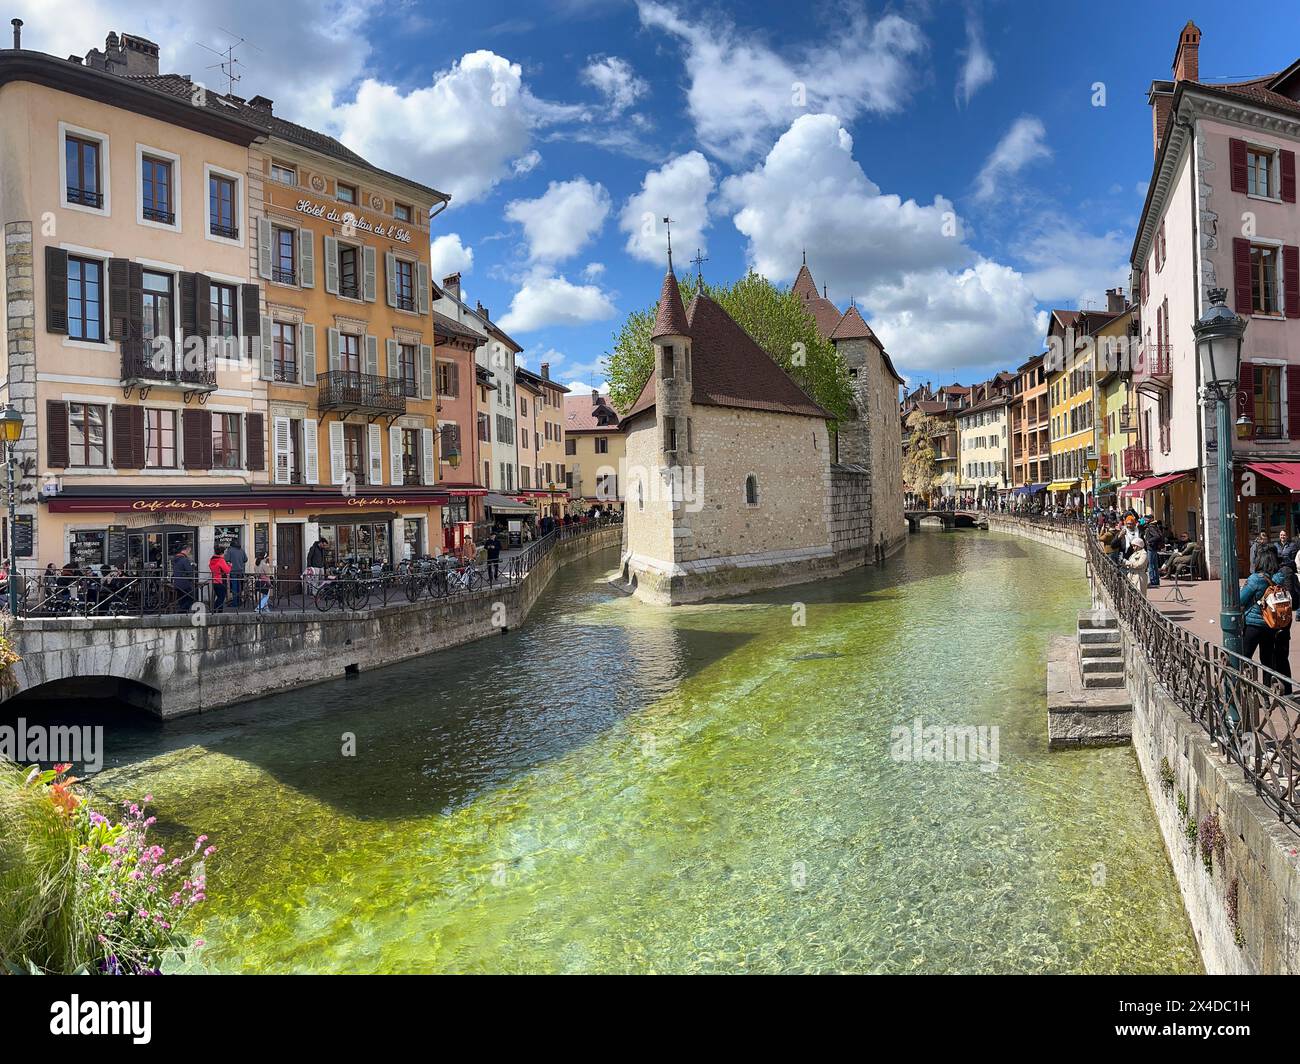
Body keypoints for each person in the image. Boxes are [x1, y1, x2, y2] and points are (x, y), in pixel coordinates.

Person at [172, 544, 195, 612]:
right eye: (189, 551)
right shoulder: (184, 560)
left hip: (177, 583)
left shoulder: (176, 559)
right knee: (190, 598)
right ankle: (183, 611)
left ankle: (181, 611)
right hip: (184, 583)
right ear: (186, 550)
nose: (189, 553)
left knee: (181, 599)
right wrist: (192, 567)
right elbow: (190, 571)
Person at [225, 537, 247, 608]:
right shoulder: (241, 550)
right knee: (239, 587)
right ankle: (239, 601)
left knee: (234, 587)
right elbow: (245, 559)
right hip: (240, 571)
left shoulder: (230, 550)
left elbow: (226, 559)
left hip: (233, 571)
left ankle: (235, 603)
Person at [1144, 518, 1166, 589]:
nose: (1145, 521)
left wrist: (1149, 541)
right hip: (1154, 548)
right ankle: (1156, 581)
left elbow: (1157, 536)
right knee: (1154, 565)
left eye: (1146, 519)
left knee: (1151, 565)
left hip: (1151, 548)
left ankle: (1153, 582)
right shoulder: (1155, 526)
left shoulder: (1151, 527)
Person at [208, 547, 231, 613]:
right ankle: (214, 610)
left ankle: (219, 611)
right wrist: (230, 565)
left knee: (219, 596)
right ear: (222, 553)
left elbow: (211, 567)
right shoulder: (221, 560)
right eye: (224, 552)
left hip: (214, 580)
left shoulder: (212, 559)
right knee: (221, 597)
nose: (225, 554)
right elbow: (227, 571)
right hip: (220, 581)